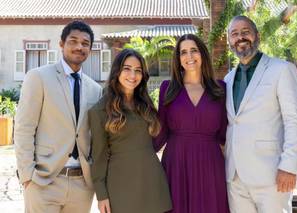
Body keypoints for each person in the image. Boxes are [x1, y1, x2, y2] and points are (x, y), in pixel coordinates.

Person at [14, 21, 102, 213]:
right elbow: (24, 128)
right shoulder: (38, 77)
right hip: (44, 181)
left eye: (85, 43)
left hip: (82, 185)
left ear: (90, 48)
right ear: (61, 44)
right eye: (73, 41)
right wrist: (27, 175)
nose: (79, 47)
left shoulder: (95, 89)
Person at [224, 15, 297, 213]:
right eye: (234, 34)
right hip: (235, 178)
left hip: (272, 175)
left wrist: (289, 166)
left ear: (257, 36)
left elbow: (294, 121)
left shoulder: (281, 69)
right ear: (229, 42)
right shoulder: (227, 79)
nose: (240, 37)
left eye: (245, 32)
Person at [88, 49, 172, 213]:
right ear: (117, 71)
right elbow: (98, 157)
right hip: (121, 186)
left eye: (138, 70)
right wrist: (101, 194)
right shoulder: (99, 111)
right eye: (127, 68)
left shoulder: (145, 104)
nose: (132, 75)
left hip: (153, 182)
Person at [153, 34, 229, 213]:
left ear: (202, 54)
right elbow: (160, 133)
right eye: (183, 52)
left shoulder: (220, 89)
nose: (189, 56)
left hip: (211, 164)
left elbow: (226, 134)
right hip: (176, 164)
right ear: (178, 59)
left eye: (194, 50)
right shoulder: (167, 88)